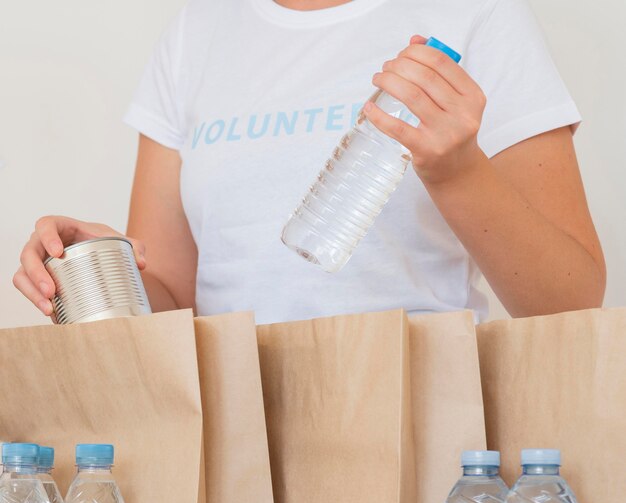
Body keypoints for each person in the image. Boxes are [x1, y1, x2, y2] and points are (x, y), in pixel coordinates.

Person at [13, 0, 606, 324]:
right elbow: (170, 299)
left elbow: (570, 301)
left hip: (413, 423)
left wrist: (458, 172)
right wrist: (93, 268)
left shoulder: (474, 14)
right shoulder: (196, 32)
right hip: (233, 433)